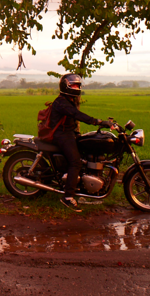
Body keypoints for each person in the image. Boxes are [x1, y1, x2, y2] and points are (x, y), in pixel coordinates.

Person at [49, 74, 111, 212]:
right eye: (73, 85)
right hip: (61, 135)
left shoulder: (69, 99)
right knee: (75, 162)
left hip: (69, 133)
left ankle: (82, 188)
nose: (76, 88)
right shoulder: (62, 102)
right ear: (66, 86)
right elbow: (77, 115)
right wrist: (98, 122)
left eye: (78, 85)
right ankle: (68, 197)